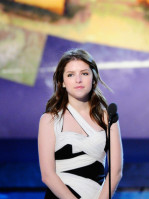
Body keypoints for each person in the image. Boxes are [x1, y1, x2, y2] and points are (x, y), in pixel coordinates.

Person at [38, 48, 123, 199]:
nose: (78, 80)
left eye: (84, 73)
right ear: (62, 82)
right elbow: (47, 175)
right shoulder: (49, 120)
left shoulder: (108, 117)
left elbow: (116, 171)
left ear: (94, 78)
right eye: (71, 75)